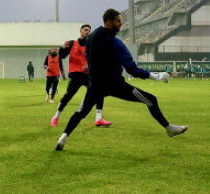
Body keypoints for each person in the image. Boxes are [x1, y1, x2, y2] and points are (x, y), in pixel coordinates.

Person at [55, 9, 187, 151]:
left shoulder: (92, 37)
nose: (121, 23)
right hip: (115, 85)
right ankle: (169, 128)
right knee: (151, 100)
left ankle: (63, 137)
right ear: (109, 21)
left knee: (81, 112)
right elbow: (132, 69)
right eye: (118, 20)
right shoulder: (115, 43)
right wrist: (156, 76)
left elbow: (87, 56)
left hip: (95, 85)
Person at [50, 24, 109, 128]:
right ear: (80, 31)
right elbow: (62, 56)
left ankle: (98, 118)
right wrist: (62, 49)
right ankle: (56, 116)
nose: (87, 31)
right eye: (85, 29)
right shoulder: (72, 43)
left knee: (99, 92)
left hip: (87, 75)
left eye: (89, 30)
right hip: (75, 75)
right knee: (68, 96)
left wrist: (89, 65)